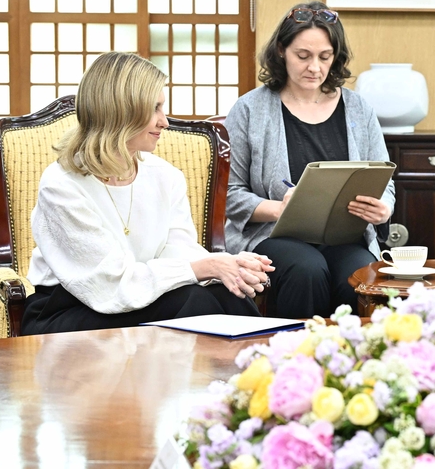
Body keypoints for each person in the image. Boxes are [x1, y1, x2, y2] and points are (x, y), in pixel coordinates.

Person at [22, 51, 273, 335]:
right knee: (195, 302)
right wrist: (206, 266)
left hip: (145, 295)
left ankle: (269, 368)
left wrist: (228, 266)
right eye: (154, 108)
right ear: (120, 109)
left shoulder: (166, 176)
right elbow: (108, 284)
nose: (164, 122)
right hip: (71, 309)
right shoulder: (61, 185)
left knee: (227, 294)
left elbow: (178, 251)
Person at [224, 1, 395, 319]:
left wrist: (383, 209)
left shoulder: (358, 109)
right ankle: (295, 363)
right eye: (302, 56)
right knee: (307, 269)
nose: (314, 67)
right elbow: (228, 195)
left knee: (359, 275)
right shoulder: (249, 110)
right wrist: (279, 209)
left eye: (324, 57)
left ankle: (355, 365)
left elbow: (384, 181)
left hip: (345, 237)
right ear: (280, 51)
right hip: (273, 236)